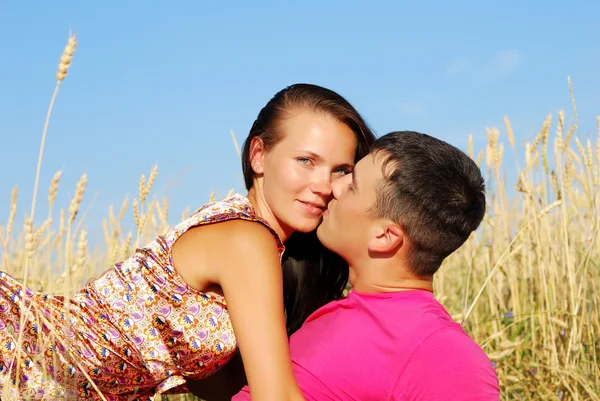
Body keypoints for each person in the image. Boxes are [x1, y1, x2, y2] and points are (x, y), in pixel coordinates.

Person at [0, 83, 376, 401]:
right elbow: (274, 396)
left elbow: (223, 385)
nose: (324, 186)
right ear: (259, 156)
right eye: (306, 161)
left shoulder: (247, 234)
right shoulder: (247, 242)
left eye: (340, 170)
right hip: (20, 357)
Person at [232, 130, 500, 400]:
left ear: (384, 236)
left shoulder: (441, 355)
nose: (333, 186)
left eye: (352, 186)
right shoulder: (343, 310)